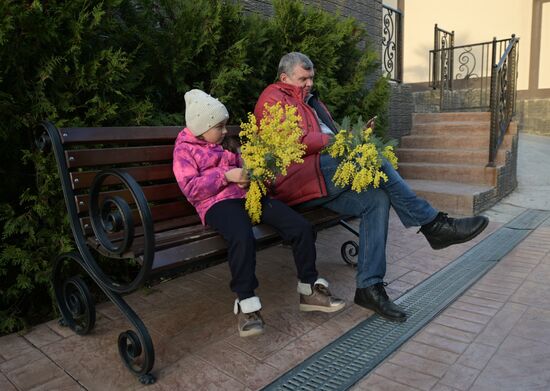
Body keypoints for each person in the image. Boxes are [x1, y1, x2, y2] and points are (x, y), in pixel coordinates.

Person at [254, 52, 489, 323]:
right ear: (285, 78)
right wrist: (339, 143)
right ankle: (433, 225)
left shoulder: (312, 103)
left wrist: (353, 138)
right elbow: (295, 142)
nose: (308, 83)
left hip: (320, 179)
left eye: (311, 78)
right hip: (295, 181)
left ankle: (369, 286)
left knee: (376, 198)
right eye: (302, 78)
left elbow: (329, 136)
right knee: (373, 158)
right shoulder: (272, 98)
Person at [173, 89, 345, 337]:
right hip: (216, 205)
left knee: (300, 227)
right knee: (242, 236)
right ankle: (246, 303)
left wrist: (248, 174)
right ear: (202, 126)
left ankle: (309, 289)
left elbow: (242, 169)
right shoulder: (184, 151)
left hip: (248, 197)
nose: (224, 131)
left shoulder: (224, 145)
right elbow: (191, 188)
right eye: (219, 127)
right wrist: (225, 176)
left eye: (225, 126)